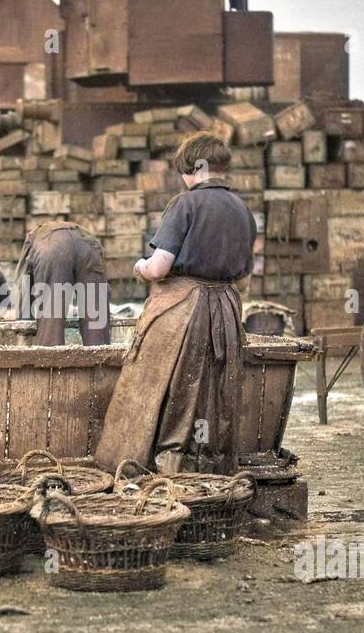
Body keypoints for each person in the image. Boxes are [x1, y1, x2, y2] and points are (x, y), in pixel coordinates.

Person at [94, 132, 255, 476]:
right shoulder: (243, 210)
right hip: (227, 310)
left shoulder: (186, 204)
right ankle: (210, 474)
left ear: (192, 169)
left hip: (184, 310)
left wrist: (140, 266)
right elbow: (243, 280)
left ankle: (156, 471)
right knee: (215, 397)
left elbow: (159, 268)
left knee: (165, 391)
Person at [9, 221, 111, 346]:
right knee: (96, 323)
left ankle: (50, 363)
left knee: (51, 322)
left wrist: (24, 327)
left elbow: (23, 282)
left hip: (53, 247)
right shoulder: (82, 234)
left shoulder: (33, 238)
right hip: (89, 246)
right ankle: (101, 361)